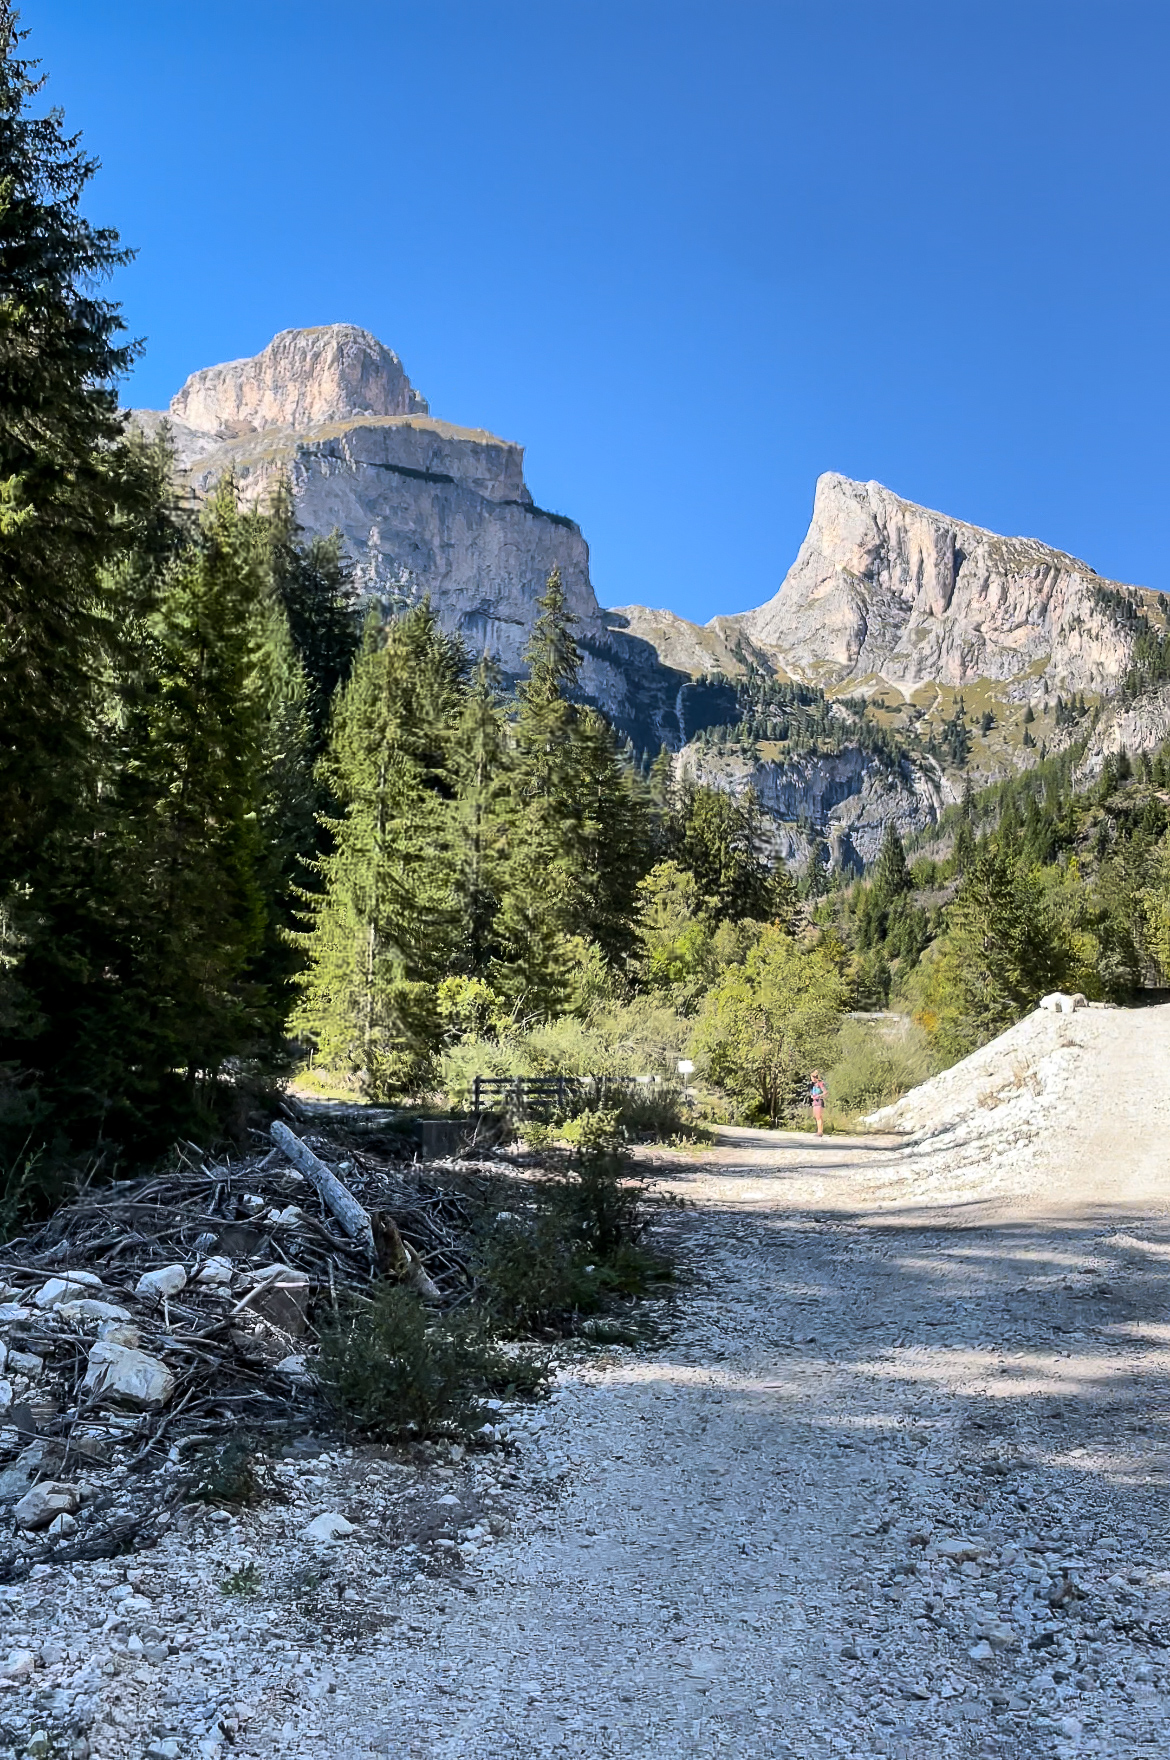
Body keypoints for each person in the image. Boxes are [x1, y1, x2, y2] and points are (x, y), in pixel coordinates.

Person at [809, 1070, 826, 1138]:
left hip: (819, 1101)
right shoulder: (814, 1085)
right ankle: (818, 1130)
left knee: (819, 1117)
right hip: (815, 1101)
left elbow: (825, 1092)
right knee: (816, 1117)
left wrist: (819, 1096)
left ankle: (820, 1131)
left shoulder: (820, 1084)